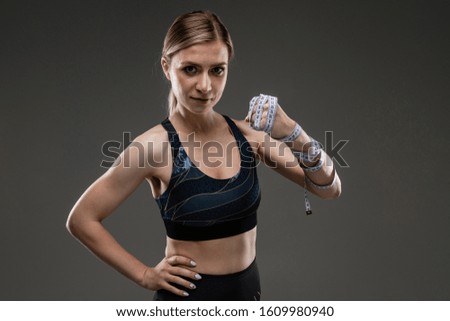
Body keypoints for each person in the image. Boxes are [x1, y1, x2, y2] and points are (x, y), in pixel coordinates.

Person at [66, 10, 341, 301]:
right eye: (191, 69)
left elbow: (328, 188)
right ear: (166, 67)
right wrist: (145, 275)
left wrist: (293, 132)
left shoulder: (247, 135)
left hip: (248, 293)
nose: (205, 86)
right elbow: (81, 219)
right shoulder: (154, 147)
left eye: (217, 70)